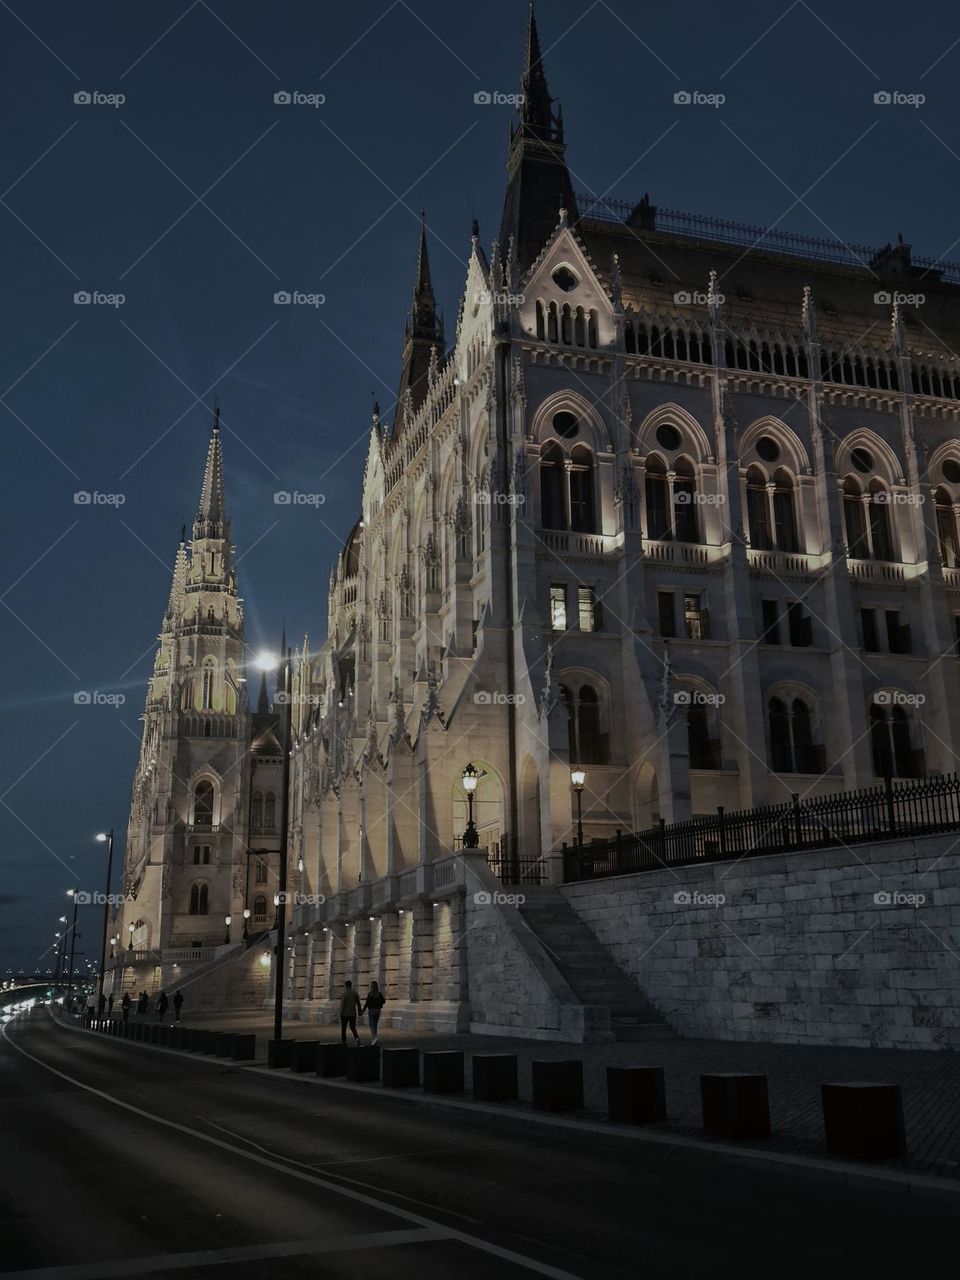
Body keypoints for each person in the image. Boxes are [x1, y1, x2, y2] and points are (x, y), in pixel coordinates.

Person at [360, 981, 386, 1045]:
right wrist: (379, 1004)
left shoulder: (370, 994)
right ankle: (374, 1038)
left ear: (371, 986)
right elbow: (384, 1001)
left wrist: (363, 1010)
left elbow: (367, 1003)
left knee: (371, 1025)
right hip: (377, 1011)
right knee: (375, 1025)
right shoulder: (379, 994)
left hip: (371, 1010)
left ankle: (374, 1038)